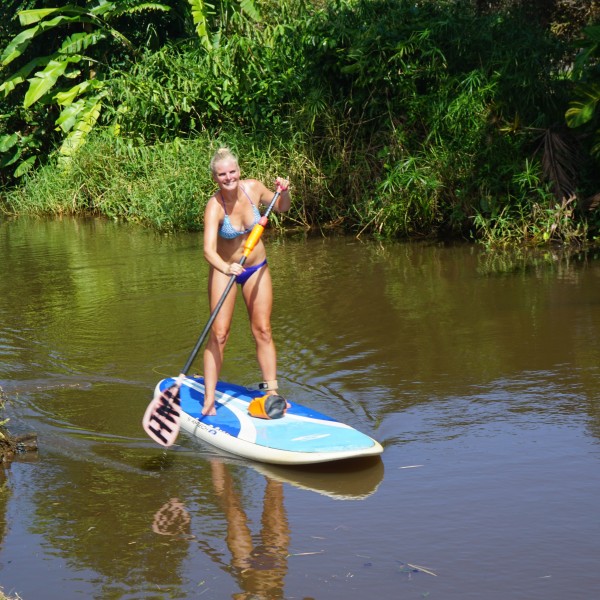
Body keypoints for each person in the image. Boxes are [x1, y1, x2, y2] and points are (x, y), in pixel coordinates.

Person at [201, 147, 291, 416]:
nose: (229, 177)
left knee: (263, 330)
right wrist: (226, 267)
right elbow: (208, 251)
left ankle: (272, 393)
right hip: (224, 269)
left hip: (256, 268)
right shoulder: (214, 206)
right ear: (215, 178)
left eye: (232, 171)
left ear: (239, 171)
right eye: (222, 174)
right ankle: (209, 399)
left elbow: (283, 208)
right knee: (220, 334)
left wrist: (283, 191)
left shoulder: (253, 189)